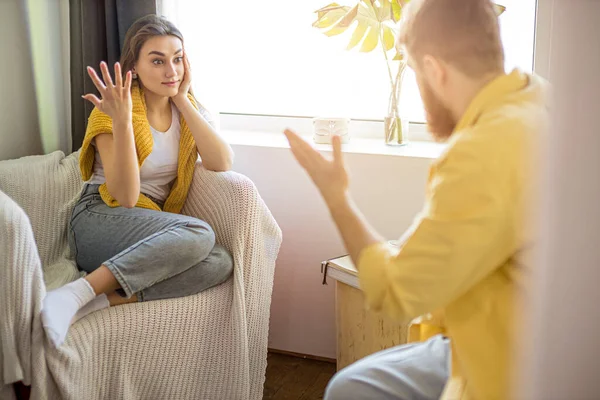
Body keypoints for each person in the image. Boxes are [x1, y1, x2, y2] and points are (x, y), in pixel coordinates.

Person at [284, 0, 549, 398]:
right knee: (354, 383)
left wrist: (336, 197)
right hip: (506, 328)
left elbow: (396, 292)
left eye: (413, 71)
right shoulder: (536, 96)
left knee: (348, 391)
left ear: (435, 70)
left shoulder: (483, 150)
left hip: (507, 363)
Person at [41, 15, 235, 348]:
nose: (170, 71)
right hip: (98, 218)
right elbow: (127, 197)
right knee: (198, 233)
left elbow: (222, 162)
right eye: (157, 61)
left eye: (177, 59)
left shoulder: (188, 109)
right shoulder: (111, 112)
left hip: (148, 227)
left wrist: (182, 99)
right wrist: (123, 122)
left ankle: (96, 302)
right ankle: (73, 293)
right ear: (133, 67)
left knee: (220, 262)